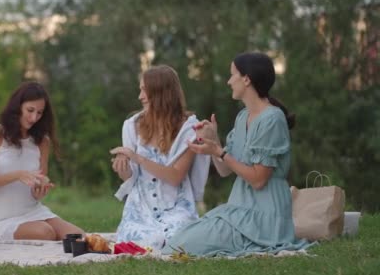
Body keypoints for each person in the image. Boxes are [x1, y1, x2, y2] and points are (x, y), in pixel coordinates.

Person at [162, 52, 313, 257]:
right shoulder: (243, 117)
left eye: (233, 74)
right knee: (177, 242)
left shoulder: (272, 119)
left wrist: (220, 152)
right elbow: (225, 170)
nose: (229, 81)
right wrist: (214, 141)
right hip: (240, 209)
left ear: (246, 79)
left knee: (182, 247)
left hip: (265, 216)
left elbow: (259, 180)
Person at [110, 65, 210, 250]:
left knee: (177, 240)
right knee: (143, 240)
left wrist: (138, 158)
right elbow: (131, 179)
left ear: (161, 94)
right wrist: (124, 169)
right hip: (141, 207)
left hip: (176, 206)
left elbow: (175, 176)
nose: (140, 97)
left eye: (144, 90)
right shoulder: (132, 126)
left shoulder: (189, 129)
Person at [0, 81, 84, 241]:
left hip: (34, 212)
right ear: (18, 106)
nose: (34, 118)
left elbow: (38, 184)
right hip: (0, 219)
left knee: (80, 237)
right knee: (45, 232)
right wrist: (17, 175)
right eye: (30, 110)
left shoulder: (42, 141)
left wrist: (40, 188)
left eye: (39, 113)